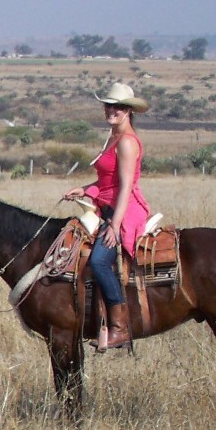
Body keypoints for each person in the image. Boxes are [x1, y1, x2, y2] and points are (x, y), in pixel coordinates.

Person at [63, 82, 153, 351]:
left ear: (128, 111)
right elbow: (107, 180)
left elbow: (125, 186)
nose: (111, 110)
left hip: (124, 211)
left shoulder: (126, 141)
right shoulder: (113, 137)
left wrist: (115, 225)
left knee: (100, 260)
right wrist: (87, 189)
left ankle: (119, 327)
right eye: (108, 105)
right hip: (107, 206)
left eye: (118, 107)